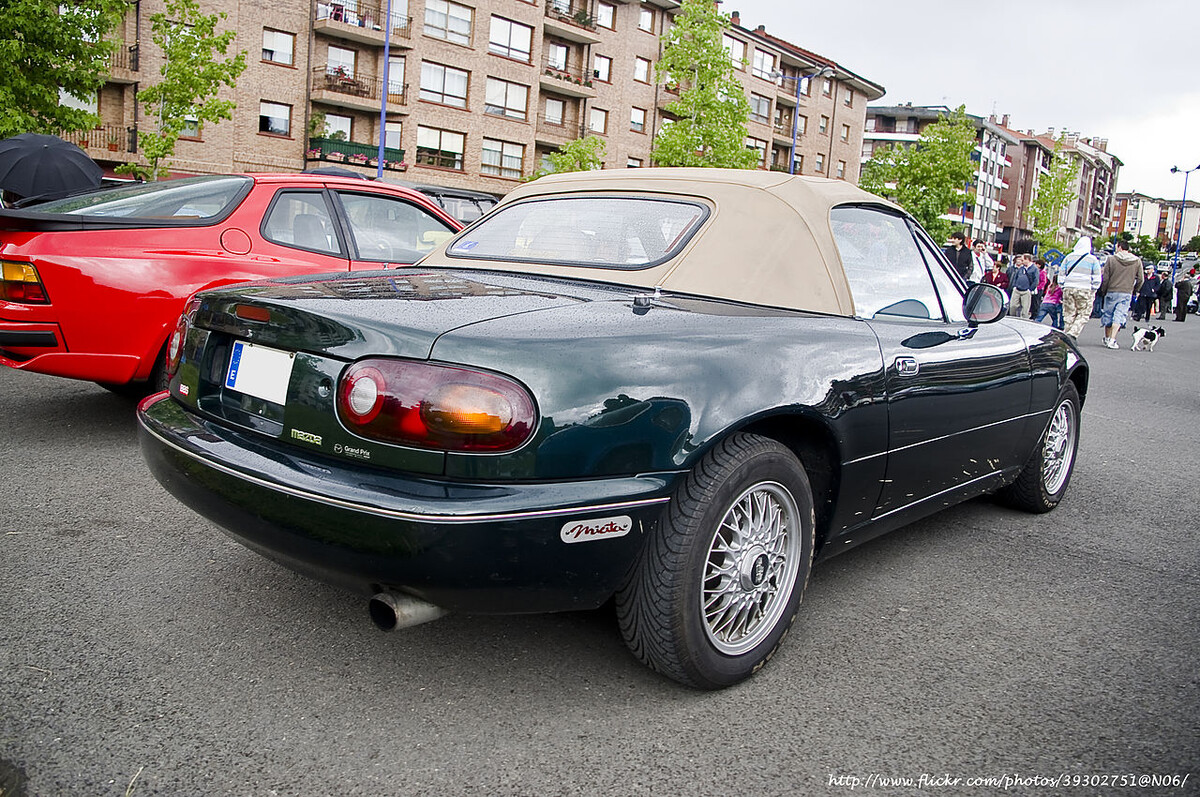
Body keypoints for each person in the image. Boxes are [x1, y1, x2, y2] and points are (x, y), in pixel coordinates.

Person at [1099, 238, 1144, 349]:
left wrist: (1104, 290)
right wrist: (1135, 290)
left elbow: (1105, 277)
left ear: (1119, 247)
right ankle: (1113, 339)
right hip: (1126, 292)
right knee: (1119, 315)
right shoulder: (1137, 261)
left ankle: (1107, 337)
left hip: (1112, 290)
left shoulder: (1111, 259)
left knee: (1108, 314)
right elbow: (1140, 279)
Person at [1057, 236, 1102, 339]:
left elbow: (1061, 273)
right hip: (1085, 288)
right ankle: (1072, 333)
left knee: (1069, 312)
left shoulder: (1069, 257)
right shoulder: (1092, 259)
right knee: (1083, 313)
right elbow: (1097, 277)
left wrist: (1063, 286)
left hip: (1068, 287)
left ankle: (1067, 333)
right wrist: (1093, 289)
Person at [1008, 253, 1040, 318]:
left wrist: (1030, 289)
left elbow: (1036, 280)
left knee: (1025, 309)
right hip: (1017, 289)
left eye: (1022, 260)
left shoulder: (1034, 269)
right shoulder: (1021, 268)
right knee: (1012, 306)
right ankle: (1012, 318)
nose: (1021, 262)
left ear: (1027, 259)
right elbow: (1016, 276)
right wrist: (1014, 286)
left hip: (1026, 291)